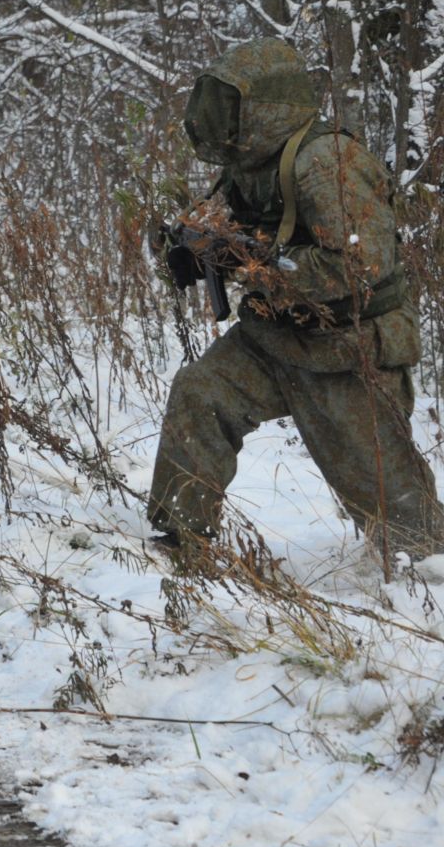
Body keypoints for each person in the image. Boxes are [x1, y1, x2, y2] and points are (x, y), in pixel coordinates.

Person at [150, 37, 443, 567]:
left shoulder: (328, 163)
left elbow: (361, 265)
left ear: (263, 107)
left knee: (409, 533)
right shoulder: (251, 162)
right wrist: (198, 250)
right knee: (200, 393)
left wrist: (249, 263)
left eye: (233, 108)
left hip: (346, 349)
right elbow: (244, 231)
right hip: (273, 334)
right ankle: (180, 543)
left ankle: (424, 595)